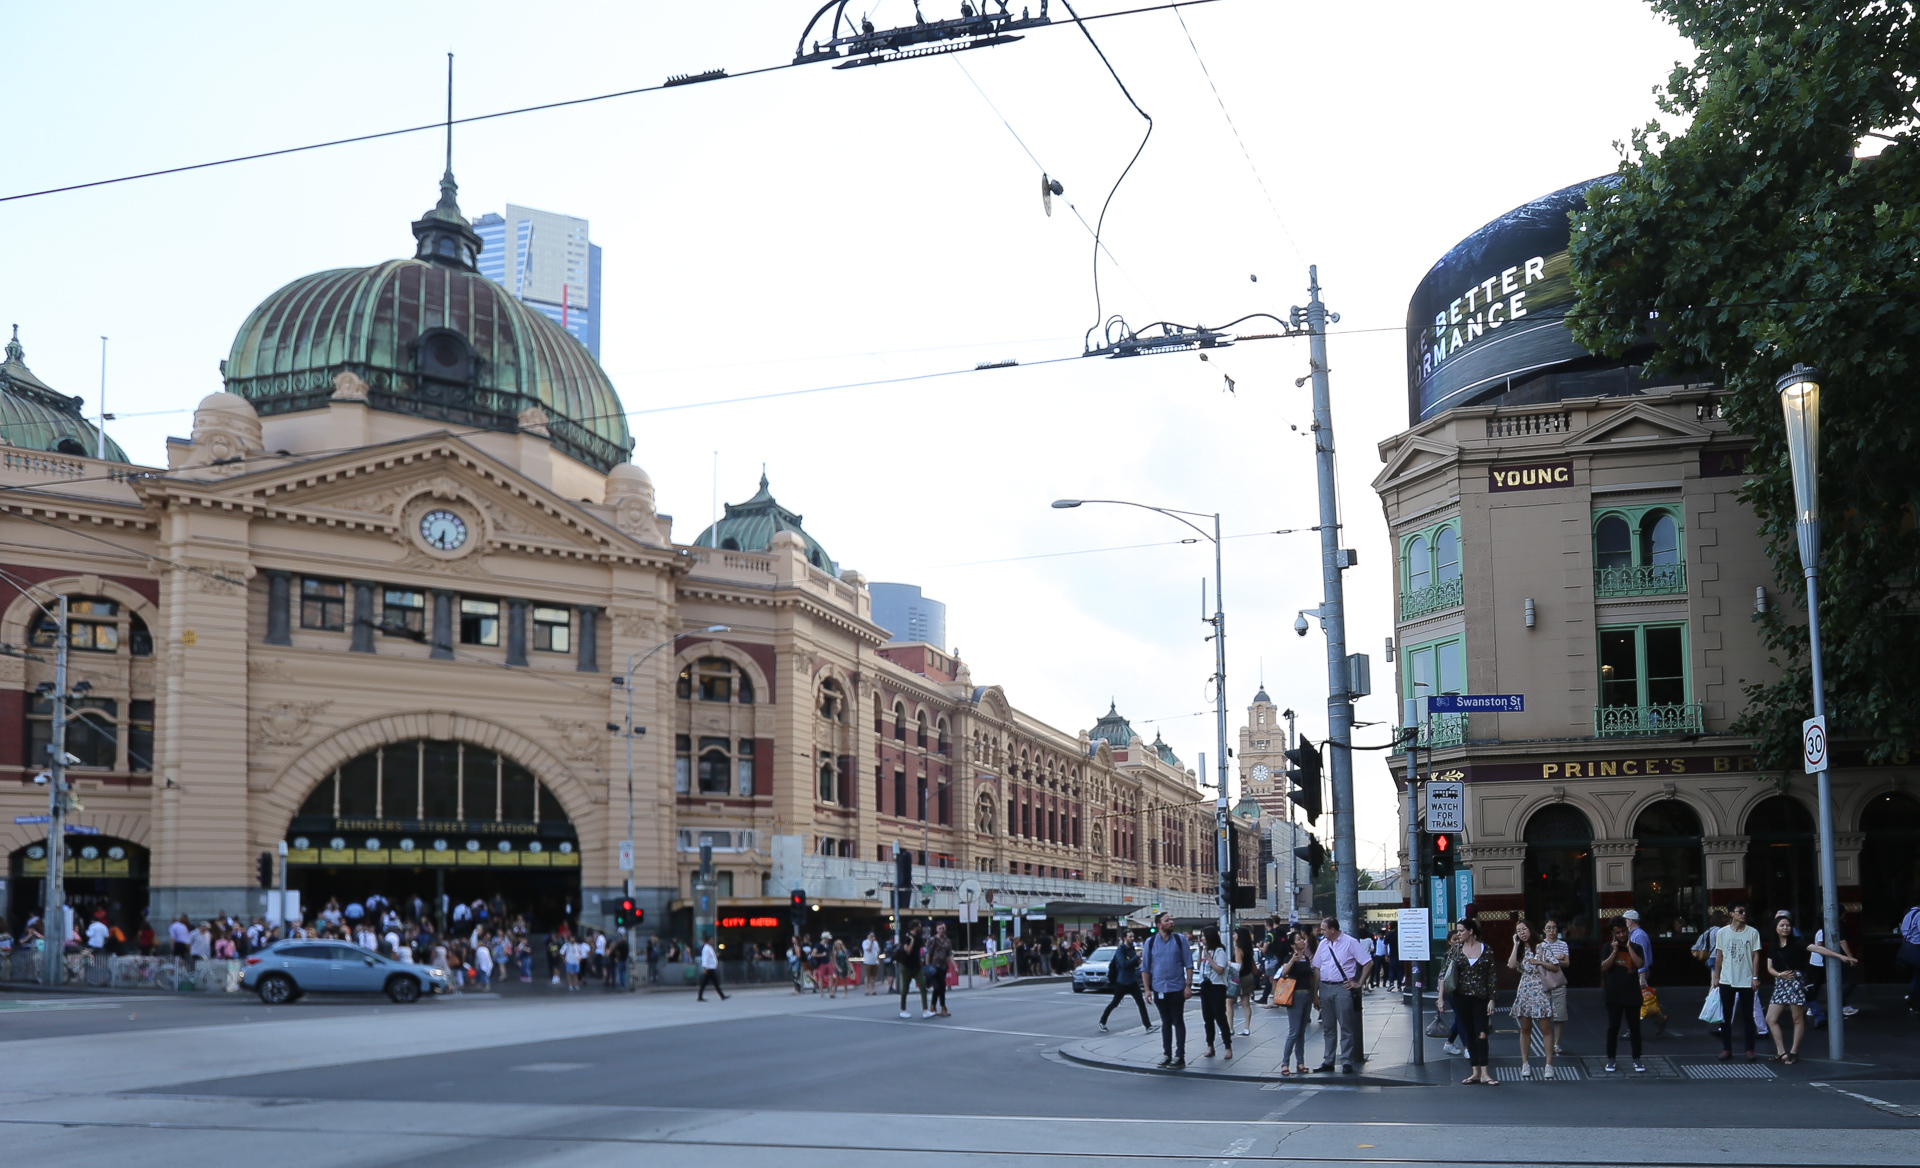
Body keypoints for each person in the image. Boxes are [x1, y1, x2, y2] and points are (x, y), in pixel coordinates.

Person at [1310, 916, 1371, 1075]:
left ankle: (1346, 1060)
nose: (1321, 932)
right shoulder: (1323, 944)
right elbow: (1317, 968)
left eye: (1324, 929)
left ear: (1332, 930)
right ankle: (1328, 1060)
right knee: (1328, 1026)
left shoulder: (1350, 942)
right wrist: (1315, 993)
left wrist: (1359, 982)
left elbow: (1368, 962)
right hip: (1325, 986)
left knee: (1346, 1026)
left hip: (1342, 988)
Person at [1710, 901, 1762, 1060]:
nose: (1743, 914)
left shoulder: (1753, 932)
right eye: (1740, 911)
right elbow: (1719, 955)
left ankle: (1749, 1049)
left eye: (1745, 911)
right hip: (1727, 979)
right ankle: (1727, 1048)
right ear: (1731, 914)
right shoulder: (1723, 933)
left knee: (1748, 1016)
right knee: (1725, 1016)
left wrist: (1755, 977)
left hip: (1746, 980)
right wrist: (1717, 977)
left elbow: (1756, 955)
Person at [1447, 919, 1497, 1085]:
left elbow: (1492, 976)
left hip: (1481, 998)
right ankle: (1475, 1071)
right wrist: (1441, 997)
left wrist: (1492, 999)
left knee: (1482, 1033)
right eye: (1458, 931)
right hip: (1461, 997)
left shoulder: (1486, 949)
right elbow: (1445, 973)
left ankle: (1485, 1072)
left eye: (1461, 931)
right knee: (1469, 1033)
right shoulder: (1456, 950)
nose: (1458, 934)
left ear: (1471, 931)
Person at [1143, 913, 1193, 1068]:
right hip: (1159, 988)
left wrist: (1188, 985)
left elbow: (1189, 964)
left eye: (1171, 920)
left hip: (1177, 987)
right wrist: (1147, 990)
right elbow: (1145, 968)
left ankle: (1180, 1056)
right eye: (1167, 920)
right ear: (1159, 925)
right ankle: (1167, 1054)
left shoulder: (1180, 940)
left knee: (1178, 1020)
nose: (1171, 922)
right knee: (1165, 1021)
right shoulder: (1150, 942)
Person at [1507, 917, 1555, 1078]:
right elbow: (1512, 965)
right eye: (1518, 931)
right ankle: (1525, 1063)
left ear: (1530, 930)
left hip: (1541, 988)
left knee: (1545, 1028)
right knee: (1525, 1028)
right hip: (1525, 989)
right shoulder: (1519, 949)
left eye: (1524, 929)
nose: (1522, 933)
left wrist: (1539, 963)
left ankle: (1549, 1064)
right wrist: (1515, 945)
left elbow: (1554, 966)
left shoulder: (1542, 946)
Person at [1600, 917, 1646, 1073]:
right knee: (1613, 1027)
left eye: (1623, 931)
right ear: (1613, 933)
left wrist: (1629, 947)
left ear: (1628, 930)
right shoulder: (1607, 947)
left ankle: (1637, 1058)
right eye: (1617, 932)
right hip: (1613, 994)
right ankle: (1611, 1058)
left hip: (1632, 994)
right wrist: (1614, 951)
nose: (1621, 935)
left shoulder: (1637, 947)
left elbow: (1640, 964)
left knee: (1635, 1028)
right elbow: (1604, 967)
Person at [1276, 929, 1314, 1076]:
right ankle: (1285, 1063)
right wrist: (1292, 960)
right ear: (1293, 945)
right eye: (1298, 939)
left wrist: (1314, 996)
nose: (1302, 941)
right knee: (1294, 1031)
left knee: (1301, 1031)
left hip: (1307, 995)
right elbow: (1283, 974)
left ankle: (1300, 1062)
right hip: (1295, 996)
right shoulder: (1289, 958)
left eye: (1302, 939)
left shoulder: (1307, 959)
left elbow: (1310, 977)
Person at [1099, 931, 1153, 1033]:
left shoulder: (1131, 949)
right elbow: (1124, 964)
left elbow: (1133, 965)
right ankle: (1102, 1021)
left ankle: (1148, 1026)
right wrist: (1136, 957)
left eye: (1133, 936)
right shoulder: (1121, 950)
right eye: (1130, 937)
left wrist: (1137, 962)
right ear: (1125, 938)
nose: (1132, 938)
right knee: (1114, 1003)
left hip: (1132, 982)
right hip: (1122, 982)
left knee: (1141, 1003)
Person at [1623, 909, 1666, 1034]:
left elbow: (1642, 958)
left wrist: (1641, 976)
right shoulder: (1634, 935)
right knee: (1638, 1000)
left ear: (1630, 921)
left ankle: (1633, 1029)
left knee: (1633, 1002)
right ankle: (1659, 1019)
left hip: (1638, 972)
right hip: (1635, 972)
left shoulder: (1638, 935)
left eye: (1625, 920)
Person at [1199, 924, 1235, 1061]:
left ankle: (1227, 1046)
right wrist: (1202, 952)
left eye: (1204, 936)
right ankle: (1210, 1045)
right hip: (1205, 986)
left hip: (1217, 987)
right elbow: (1199, 966)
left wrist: (1209, 958)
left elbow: (1220, 970)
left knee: (1220, 1017)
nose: (1202, 938)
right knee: (1207, 1018)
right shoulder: (1205, 951)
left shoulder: (1220, 952)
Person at [896, 925, 928, 1019]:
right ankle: (903, 1009)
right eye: (918, 926)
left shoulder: (919, 938)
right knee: (905, 988)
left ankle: (925, 1010)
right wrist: (912, 941)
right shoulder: (907, 938)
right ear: (915, 927)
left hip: (917, 966)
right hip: (907, 966)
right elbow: (907, 951)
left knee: (923, 986)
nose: (920, 928)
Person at [1233, 925, 1259, 1035]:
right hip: (1249, 976)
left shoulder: (1238, 949)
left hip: (1241, 978)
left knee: (1229, 1002)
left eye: (1235, 934)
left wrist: (1230, 964)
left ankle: (1230, 1027)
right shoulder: (1249, 948)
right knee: (1246, 1003)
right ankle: (1247, 1027)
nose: (1234, 936)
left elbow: (1240, 966)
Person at [1898, 899, 1920, 1014]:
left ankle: (1913, 998)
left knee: (1917, 975)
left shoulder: (1908, 914)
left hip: (1908, 949)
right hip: (1917, 948)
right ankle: (1914, 1001)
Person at [926, 924, 953, 1017]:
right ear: (937, 929)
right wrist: (927, 966)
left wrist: (955, 966)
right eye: (940, 928)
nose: (942, 930)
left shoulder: (947, 941)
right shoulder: (932, 940)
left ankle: (933, 1006)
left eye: (943, 928)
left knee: (937, 987)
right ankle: (943, 1007)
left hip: (943, 966)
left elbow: (950, 954)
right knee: (942, 986)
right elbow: (928, 953)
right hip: (935, 966)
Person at [697, 933, 727, 1001]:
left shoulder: (709, 948)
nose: (712, 941)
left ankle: (700, 996)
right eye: (711, 940)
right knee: (712, 983)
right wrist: (705, 967)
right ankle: (721, 995)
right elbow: (705, 958)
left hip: (711, 968)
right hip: (709, 968)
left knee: (706, 983)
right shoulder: (706, 948)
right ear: (708, 941)